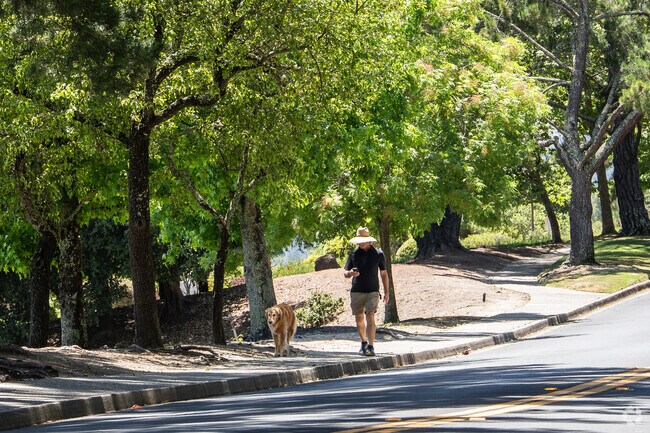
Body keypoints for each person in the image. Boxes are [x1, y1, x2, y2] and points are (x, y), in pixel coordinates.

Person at [343, 227, 389, 356]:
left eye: (363, 241)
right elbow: (345, 273)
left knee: (370, 315)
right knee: (359, 319)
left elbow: (384, 273)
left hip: (372, 291)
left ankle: (371, 346)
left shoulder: (379, 254)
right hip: (357, 291)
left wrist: (387, 292)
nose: (360, 243)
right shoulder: (353, 254)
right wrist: (351, 273)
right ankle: (363, 343)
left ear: (369, 241)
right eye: (359, 241)